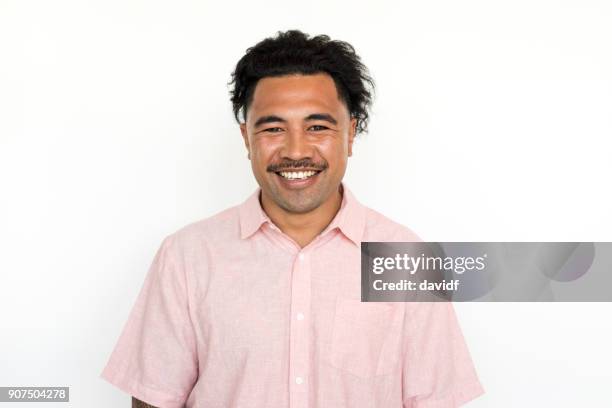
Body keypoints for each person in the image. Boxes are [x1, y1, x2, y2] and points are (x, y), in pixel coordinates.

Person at [101, 29, 485, 408]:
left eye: (317, 126)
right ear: (246, 137)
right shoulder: (187, 257)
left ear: (350, 134)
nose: (296, 150)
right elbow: (153, 399)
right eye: (273, 128)